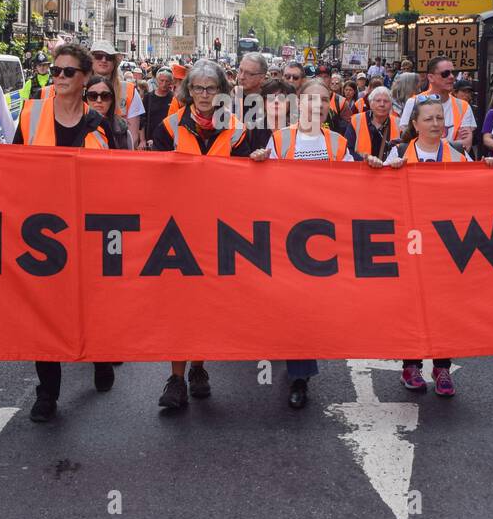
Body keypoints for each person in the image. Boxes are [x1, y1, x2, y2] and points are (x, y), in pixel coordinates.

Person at [13, 43, 114, 420]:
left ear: (86, 78)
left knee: (89, 307)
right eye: (55, 71)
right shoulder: (31, 114)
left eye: (68, 72)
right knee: (45, 312)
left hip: (86, 230)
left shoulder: (102, 125)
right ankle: (47, 392)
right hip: (41, 230)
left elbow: (117, 182)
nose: (58, 77)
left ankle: (100, 357)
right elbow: (10, 166)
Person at [249, 78, 363, 409]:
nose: (316, 106)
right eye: (310, 100)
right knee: (291, 305)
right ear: (299, 103)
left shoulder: (339, 143)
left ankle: (300, 373)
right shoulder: (280, 139)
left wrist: (375, 166)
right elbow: (260, 186)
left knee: (306, 307)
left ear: (329, 105)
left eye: (323, 100)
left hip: (322, 239)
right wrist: (258, 163)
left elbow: (356, 186)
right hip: (285, 235)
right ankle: (298, 371)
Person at [150, 59, 250, 409]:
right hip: (176, 230)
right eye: (197, 88)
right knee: (178, 305)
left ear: (222, 91)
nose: (204, 95)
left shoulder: (238, 130)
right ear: (187, 90)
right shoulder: (168, 128)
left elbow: (246, 182)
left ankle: (199, 367)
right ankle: (176, 378)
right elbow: (155, 179)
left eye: (211, 88)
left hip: (221, 231)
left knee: (207, 303)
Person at [381, 96, 469, 397]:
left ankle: (442, 367)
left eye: (439, 118)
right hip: (410, 242)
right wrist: (386, 170)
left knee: (445, 307)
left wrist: (491, 168)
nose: (435, 124)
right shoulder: (400, 152)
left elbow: (476, 193)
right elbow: (381, 193)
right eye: (429, 119)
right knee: (411, 305)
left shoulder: (458, 155)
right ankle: (412, 365)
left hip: (446, 244)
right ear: (415, 124)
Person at [398, 56, 476, 152]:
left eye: (453, 73)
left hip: (451, 165)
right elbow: (406, 142)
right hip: (420, 165)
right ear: (431, 77)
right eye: (445, 74)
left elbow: (465, 147)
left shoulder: (463, 106)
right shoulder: (413, 102)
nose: (451, 77)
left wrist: (427, 143)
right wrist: (453, 144)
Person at [88, 40, 144, 148]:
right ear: (91, 60)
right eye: (99, 56)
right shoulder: (80, 88)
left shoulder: (129, 90)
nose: (104, 60)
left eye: (108, 57)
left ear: (114, 63)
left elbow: (133, 137)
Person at [344, 86, 399, 161]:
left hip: (389, 170)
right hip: (361, 168)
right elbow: (347, 149)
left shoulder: (398, 124)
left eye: (386, 101)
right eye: (378, 101)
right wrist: (366, 161)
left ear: (391, 105)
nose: (382, 104)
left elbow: (403, 151)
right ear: (370, 103)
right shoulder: (356, 121)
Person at [85, 74, 132, 149]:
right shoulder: (75, 126)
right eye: (93, 95)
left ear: (112, 100)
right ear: (86, 98)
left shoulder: (122, 129)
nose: (99, 100)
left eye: (105, 96)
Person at [142, 68, 175, 148]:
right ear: (157, 80)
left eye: (167, 81)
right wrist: (142, 140)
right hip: (149, 140)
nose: (164, 84)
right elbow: (142, 120)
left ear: (170, 82)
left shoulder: (174, 98)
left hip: (167, 141)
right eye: (161, 80)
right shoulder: (148, 97)